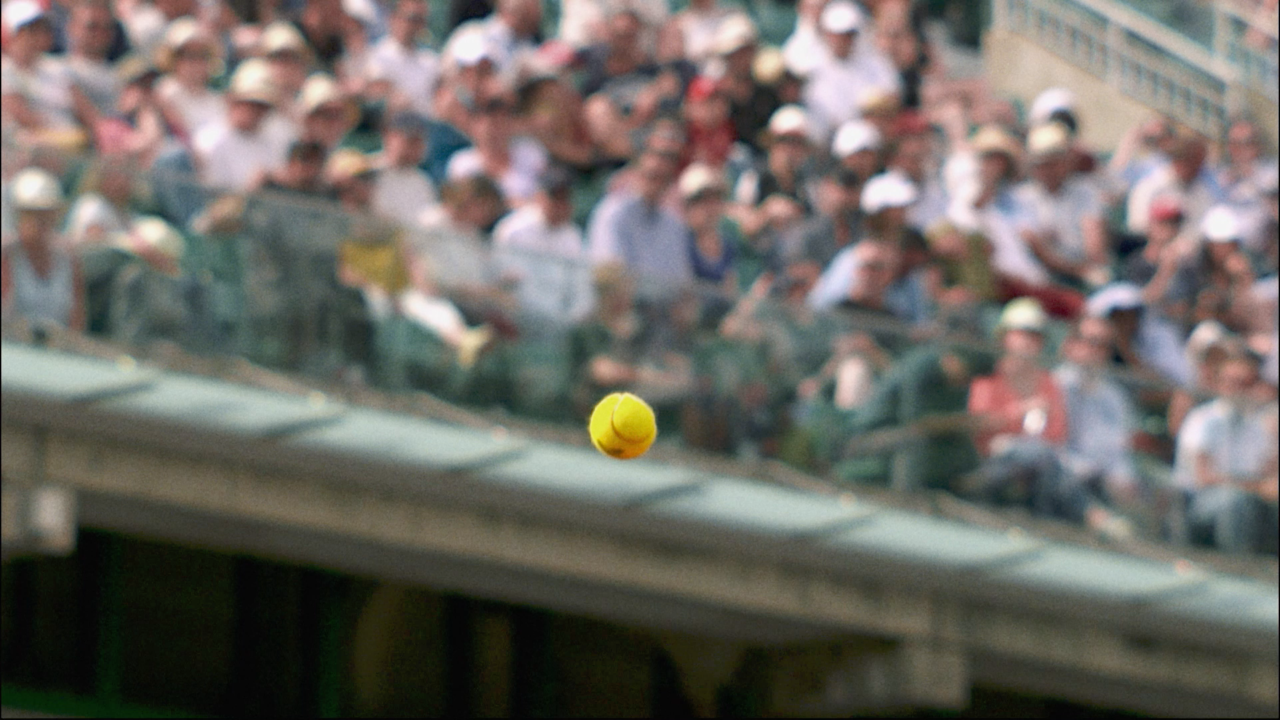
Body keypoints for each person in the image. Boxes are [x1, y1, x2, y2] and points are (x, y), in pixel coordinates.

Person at [965, 298, 1132, 538]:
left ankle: (1051, 530)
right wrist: (1018, 414)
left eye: (1036, 336)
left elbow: (1056, 434)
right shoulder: (986, 377)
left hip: (1038, 465)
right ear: (1005, 337)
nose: (1029, 342)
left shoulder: (1047, 383)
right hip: (991, 464)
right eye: (1023, 333)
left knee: (1046, 460)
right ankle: (1092, 515)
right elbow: (978, 425)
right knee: (1041, 456)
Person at [1176, 345, 1278, 554]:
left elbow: (1263, 472)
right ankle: (1236, 565)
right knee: (1236, 502)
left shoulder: (1256, 427)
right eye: (1233, 382)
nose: (1238, 389)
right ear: (1219, 383)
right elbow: (1204, 477)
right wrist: (1256, 487)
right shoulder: (1202, 419)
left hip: (1246, 497)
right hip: (1196, 502)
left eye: (1245, 383)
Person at [491, 165, 594, 335]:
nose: (560, 204)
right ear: (539, 197)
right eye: (554, 197)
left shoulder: (573, 236)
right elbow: (501, 279)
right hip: (518, 321)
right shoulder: (513, 230)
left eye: (564, 198)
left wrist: (570, 321)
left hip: (560, 326)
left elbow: (582, 290)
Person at [586, 148, 694, 308]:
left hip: (660, 315)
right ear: (634, 174)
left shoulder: (674, 226)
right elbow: (607, 275)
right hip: (617, 310)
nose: (655, 184)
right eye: (650, 176)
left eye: (662, 179)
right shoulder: (613, 212)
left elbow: (681, 284)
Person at [1054, 316, 1142, 511]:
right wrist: (1090, 472)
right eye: (1092, 342)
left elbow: (1119, 452)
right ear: (1070, 344)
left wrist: (1123, 480)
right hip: (1066, 480)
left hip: (1106, 486)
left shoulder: (1115, 397)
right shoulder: (1054, 387)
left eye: (1105, 346)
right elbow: (1052, 449)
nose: (1098, 352)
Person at [1015, 121, 1111, 289]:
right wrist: (1079, 271)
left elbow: (1095, 246)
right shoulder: (1022, 198)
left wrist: (1089, 269)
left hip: (1085, 273)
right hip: (1045, 279)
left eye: (1054, 162)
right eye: (1043, 163)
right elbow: (1037, 249)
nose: (1049, 169)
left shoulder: (1085, 191)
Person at [801, 0, 900, 143]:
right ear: (826, 34)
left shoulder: (877, 65)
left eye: (848, 34)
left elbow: (892, 98)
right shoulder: (810, 63)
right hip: (824, 139)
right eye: (836, 34)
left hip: (868, 139)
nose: (842, 40)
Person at [1, 167, 85, 333]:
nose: (41, 221)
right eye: (32, 214)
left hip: (58, 351)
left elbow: (77, 321)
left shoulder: (68, 259)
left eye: (47, 214)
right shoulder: (6, 255)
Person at [2, 0, 96, 145]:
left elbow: (87, 112)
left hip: (74, 143)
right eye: (32, 28)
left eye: (44, 27)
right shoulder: (6, 73)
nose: (42, 32)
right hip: (36, 149)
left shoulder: (58, 68)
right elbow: (26, 119)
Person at [193, 58, 294, 191]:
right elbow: (212, 197)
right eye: (249, 103)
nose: (255, 111)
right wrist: (251, 187)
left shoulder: (274, 141)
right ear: (232, 99)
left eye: (262, 106)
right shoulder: (209, 140)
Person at [446, 92, 548, 206]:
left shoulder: (531, 152)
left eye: (503, 122)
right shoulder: (462, 164)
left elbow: (547, 193)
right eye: (492, 123)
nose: (497, 130)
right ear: (475, 126)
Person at [362, 0, 440, 117]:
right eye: (411, 18)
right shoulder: (376, 55)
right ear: (393, 18)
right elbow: (375, 94)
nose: (415, 25)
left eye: (420, 20)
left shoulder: (431, 61)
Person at [152, 17, 224, 142]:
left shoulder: (216, 99)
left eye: (202, 56)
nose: (196, 63)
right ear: (174, 60)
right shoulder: (166, 91)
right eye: (188, 56)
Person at [372, 111, 438, 228]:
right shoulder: (369, 170)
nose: (415, 147)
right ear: (390, 136)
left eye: (420, 141)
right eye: (410, 140)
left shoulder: (423, 183)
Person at [63, 0, 123, 116]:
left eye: (107, 27)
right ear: (72, 27)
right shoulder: (61, 71)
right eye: (92, 27)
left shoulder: (122, 72)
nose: (100, 33)